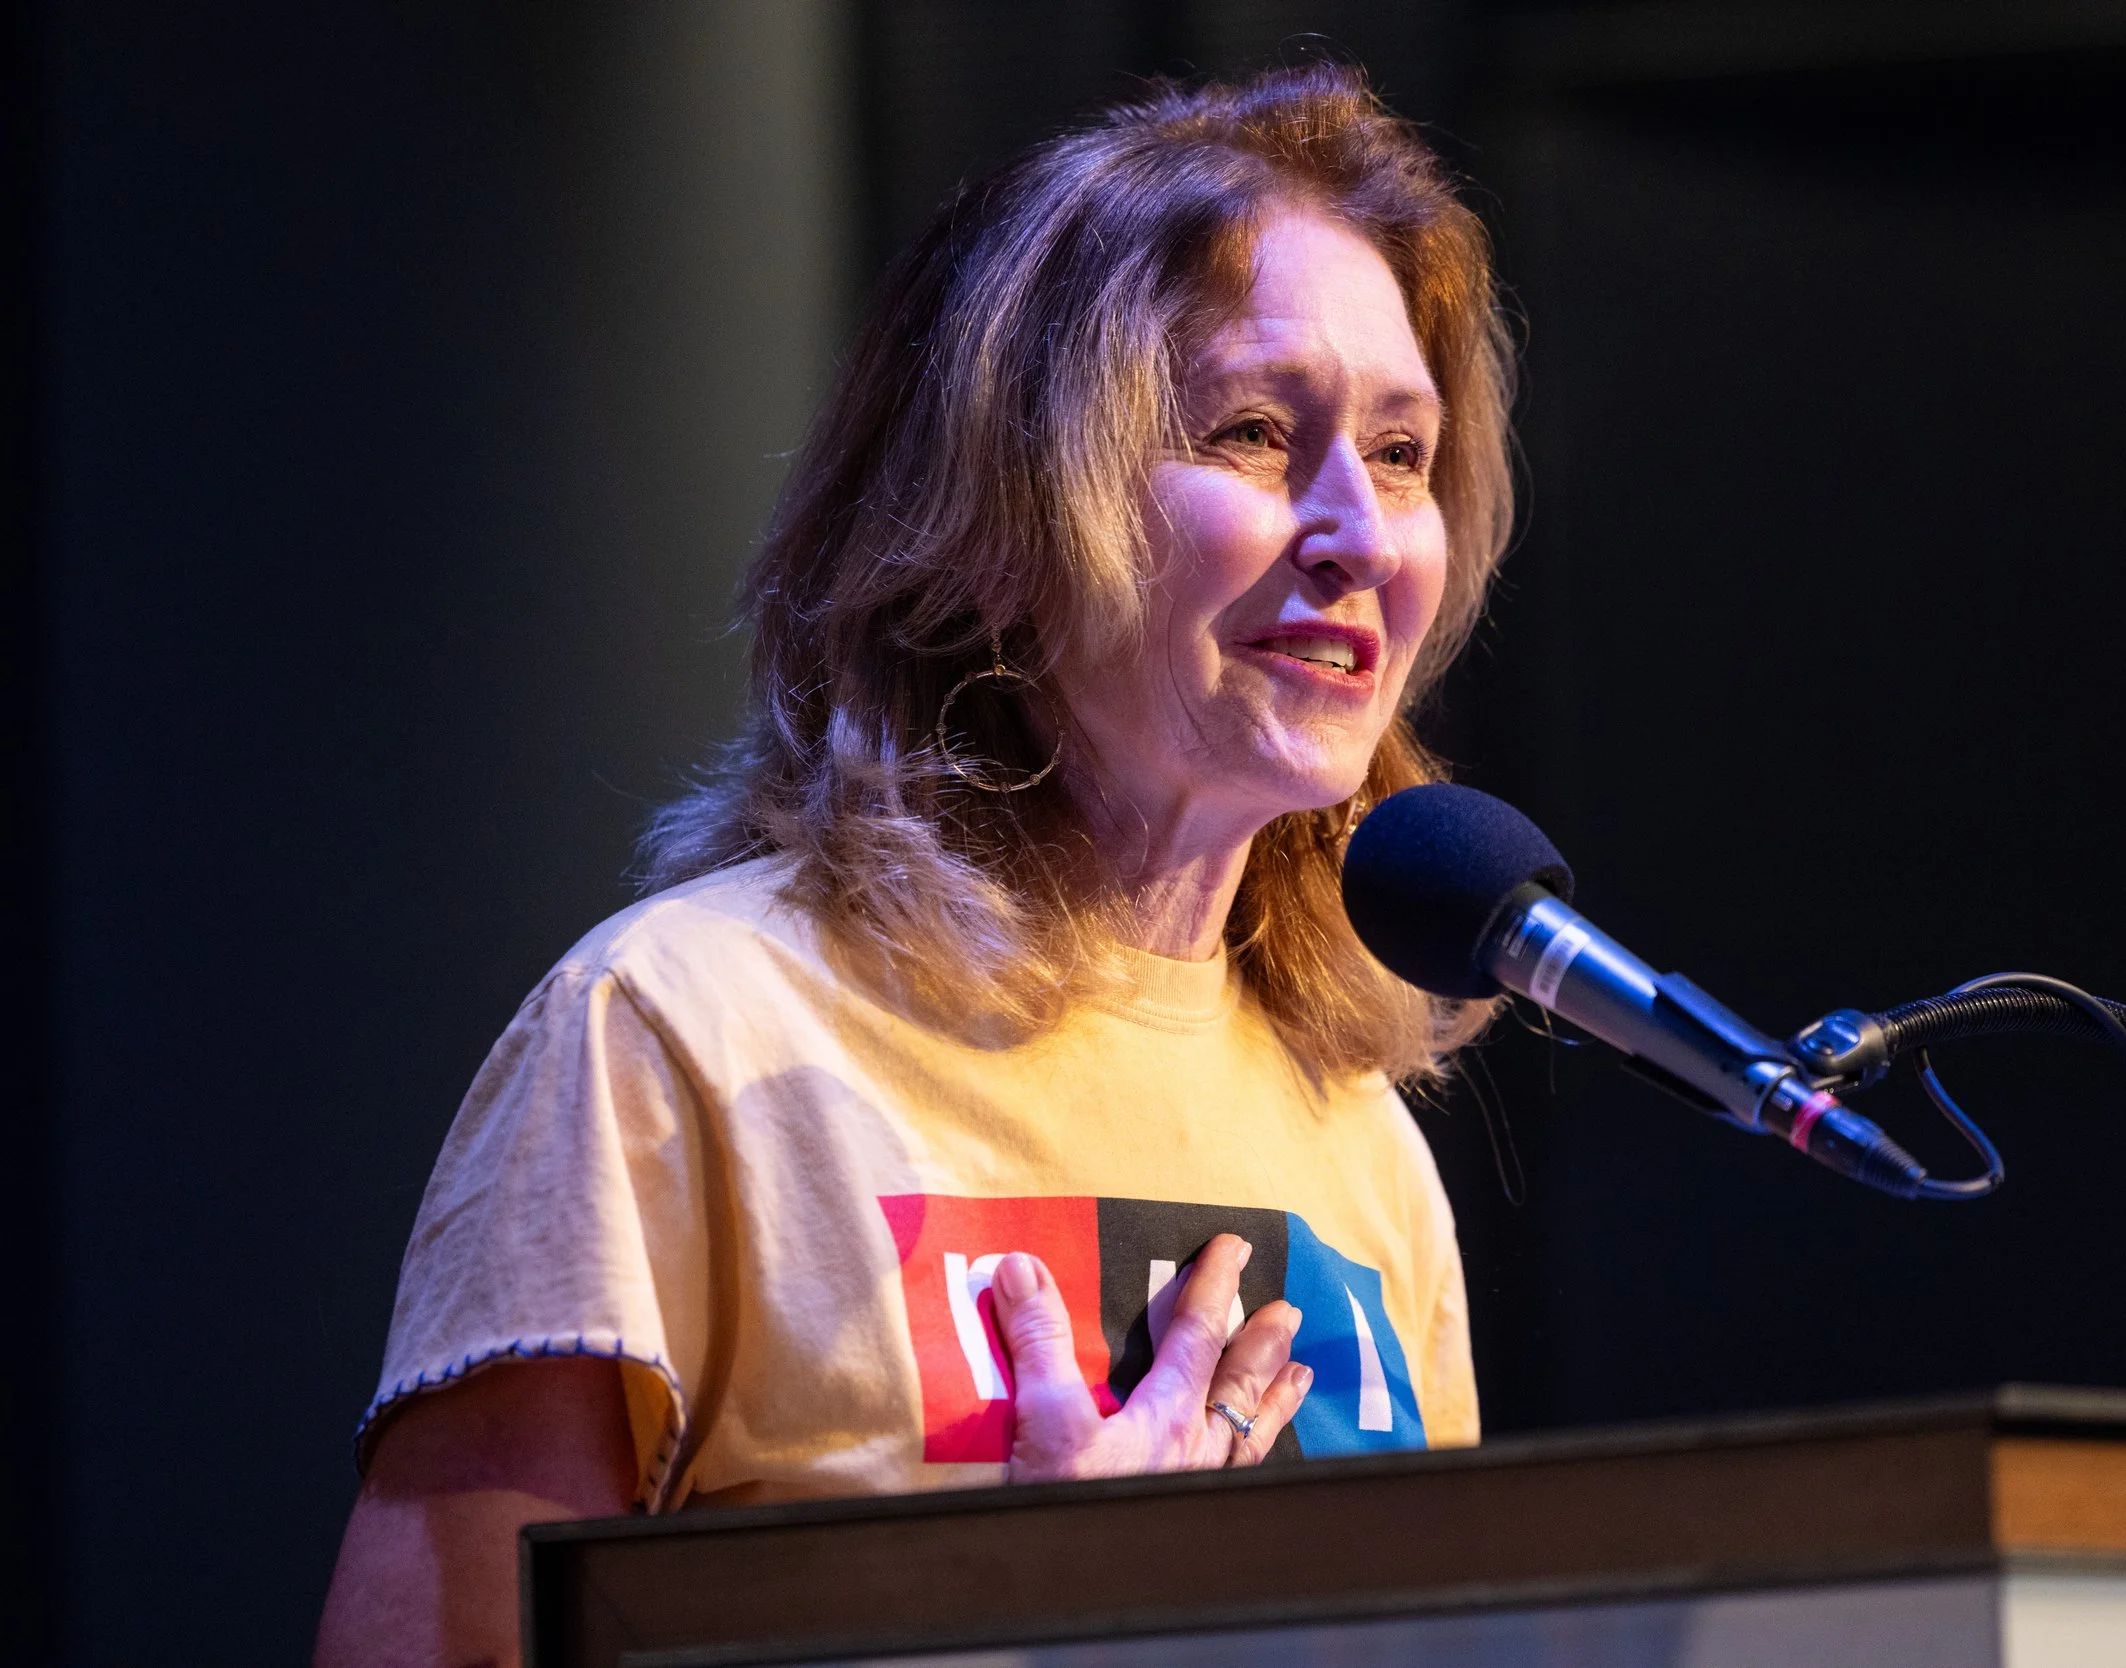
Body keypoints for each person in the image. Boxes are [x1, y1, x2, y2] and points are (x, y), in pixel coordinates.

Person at [314, 60, 1516, 1666]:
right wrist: (1026, 1627)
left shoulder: (1362, 1145)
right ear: (1004, 521)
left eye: (1402, 453)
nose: (1361, 534)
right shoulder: (679, 1040)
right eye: (1249, 431)